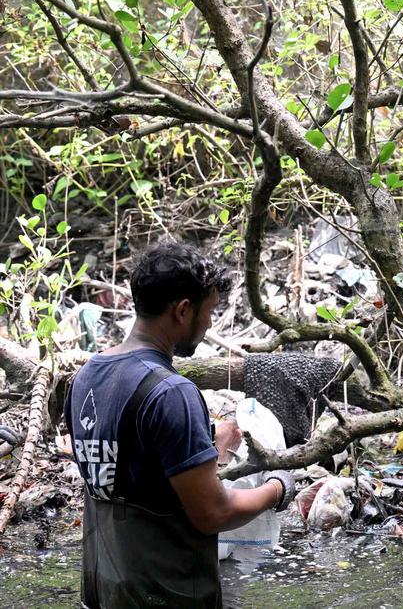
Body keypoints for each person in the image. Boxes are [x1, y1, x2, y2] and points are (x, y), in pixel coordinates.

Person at [66, 241, 297, 608]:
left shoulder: (85, 377)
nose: (209, 324)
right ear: (183, 310)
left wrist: (206, 443)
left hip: (105, 590)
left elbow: (125, 471)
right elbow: (213, 514)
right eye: (209, 312)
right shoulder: (172, 393)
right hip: (164, 593)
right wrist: (277, 488)